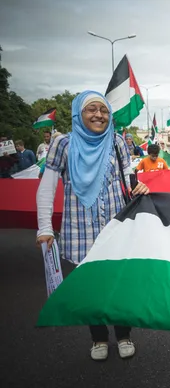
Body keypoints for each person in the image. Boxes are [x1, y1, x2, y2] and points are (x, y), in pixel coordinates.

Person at [36, 90, 150, 361]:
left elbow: (129, 178)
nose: (99, 115)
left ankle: (123, 335)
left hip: (115, 226)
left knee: (118, 285)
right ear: (79, 113)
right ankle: (98, 338)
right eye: (91, 109)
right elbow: (47, 187)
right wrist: (45, 228)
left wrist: (140, 186)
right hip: (79, 230)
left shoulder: (117, 141)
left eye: (104, 110)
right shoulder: (63, 143)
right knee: (90, 287)